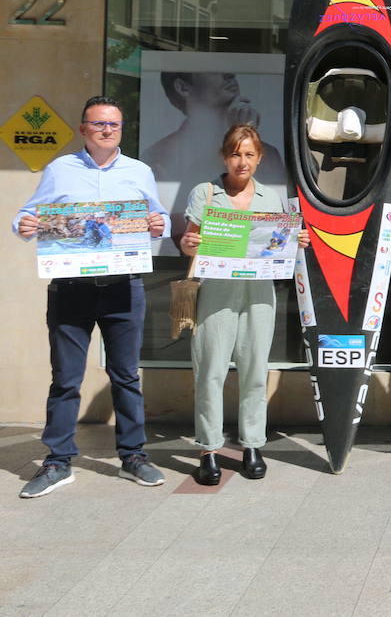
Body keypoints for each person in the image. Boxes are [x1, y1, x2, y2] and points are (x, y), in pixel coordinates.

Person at [12, 96, 171, 498]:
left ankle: (134, 456)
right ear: (83, 129)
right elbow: (27, 214)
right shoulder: (59, 169)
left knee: (126, 376)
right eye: (98, 124)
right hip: (70, 290)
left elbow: (161, 219)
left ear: (121, 130)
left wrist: (158, 224)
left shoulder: (140, 171)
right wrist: (25, 224)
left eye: (113, 125)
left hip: (124, 287)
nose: (106, 130)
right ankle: (57, 461)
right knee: (65, 379)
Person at [178, 124, 310, 486]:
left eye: (249, 154)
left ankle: (252, 444)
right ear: (225, 156)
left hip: (259, 295)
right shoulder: (206, 193)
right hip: (216, 293)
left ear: (259, 158)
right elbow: (188, 241)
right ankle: (208, 449)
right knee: (211, 372)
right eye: (236, 153)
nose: (242, 161)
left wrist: (297, 239)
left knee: (254, 372)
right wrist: (189, 244)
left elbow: (281, 245)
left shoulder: (272, 198)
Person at [143, 71, 287, 248]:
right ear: (182, 87)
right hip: (213, 271)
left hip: (255, 274)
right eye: (214, 70)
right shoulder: (158, 157)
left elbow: (275, 244)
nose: (229, 74)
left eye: (250, 155)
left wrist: (293, 240)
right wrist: (189, 243)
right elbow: (180, 238)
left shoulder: (270, 161)